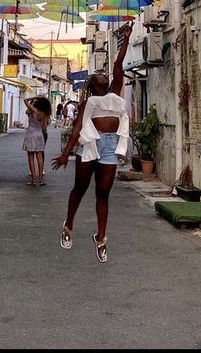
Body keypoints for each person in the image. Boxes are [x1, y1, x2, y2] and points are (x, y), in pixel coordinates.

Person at [52, 22, 133, 263]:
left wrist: (126, 38)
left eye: (104, 74)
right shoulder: (89, 104)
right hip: (89, 146)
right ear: (92, 85)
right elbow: (78, 128)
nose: (103, 74)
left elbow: (118, 65)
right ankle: (68, 225)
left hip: (109, 147)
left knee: (103, 193)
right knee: (80, 188)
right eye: (98, 74)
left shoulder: (115, 92)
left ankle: (101, 238)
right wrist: (67, 153)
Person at [22, 96, 52, 186]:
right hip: (40, 135)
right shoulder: (45, 114)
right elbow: (44, 128)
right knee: (40, 158)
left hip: (30, 134)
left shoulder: (33, 110)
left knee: (31, 157)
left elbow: (25, 100)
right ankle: (41, 180)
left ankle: (34, 180)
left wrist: (35, 97)